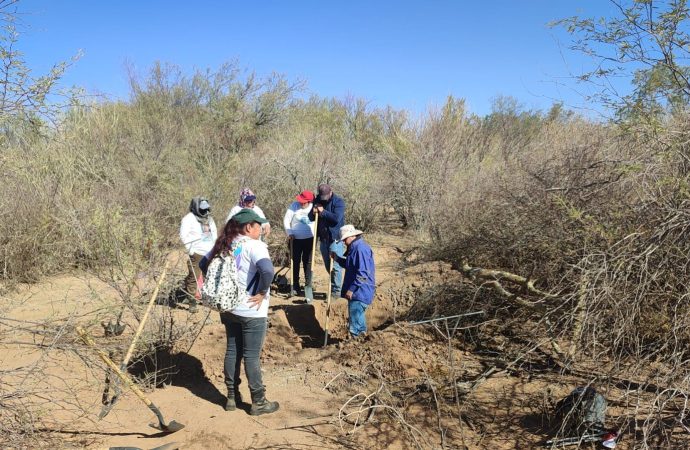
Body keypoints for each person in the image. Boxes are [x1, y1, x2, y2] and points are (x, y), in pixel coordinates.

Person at [200, 209, 279, 416]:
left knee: (232, 350)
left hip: (228, 308)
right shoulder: (255, 246)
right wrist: (262, 292)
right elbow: (268, 271)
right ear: (248, 227)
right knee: (251, 356)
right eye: (258, 225)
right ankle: (258, 402)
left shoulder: (224, 244)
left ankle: (232, 397)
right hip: (252, 309)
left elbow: (202, 263)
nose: (261, 229)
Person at [332, 225, 375, 338]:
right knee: (358, 323)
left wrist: (352, 289)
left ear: (351, 236)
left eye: (345, 240)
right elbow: (350, 265)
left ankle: (356, 345)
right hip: (358, 292)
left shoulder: (360, 249)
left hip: (360, 292)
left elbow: (363, 273)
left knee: (356, 327)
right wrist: (337, 258)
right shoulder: (355, 248)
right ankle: (360, 344)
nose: (344, 243)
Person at [179, 197, 217, 313]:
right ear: (196, 207)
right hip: (197, 252)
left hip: (209, 252)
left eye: (206, 209)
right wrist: (191, 250)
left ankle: (208, 299)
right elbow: (183, 235)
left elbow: (214, 233)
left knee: (209, 276)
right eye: (202, 209)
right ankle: (192, 302)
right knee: (193, 277)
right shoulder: (188, 219)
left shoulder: (209, 219)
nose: (205, 211)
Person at [308, 184, 345, 296]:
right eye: (322, 197)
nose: (324, 199)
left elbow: (336, 219)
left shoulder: (338, 202)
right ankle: (334, 286)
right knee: (328, 265)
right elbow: (310, 217)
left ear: (330, 192)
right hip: (323, 239)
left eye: (325, 197)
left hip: (335, 239)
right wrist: (314, 211)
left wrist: (323, 211)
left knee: (336, 266)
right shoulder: (318, 199)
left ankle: (336, 292)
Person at [282, 190, 316, 300]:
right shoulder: (294, 206)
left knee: (308, 262)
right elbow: (287, 220)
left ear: (309, 201)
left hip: (310, 239)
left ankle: (308, 285)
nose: (301, 203)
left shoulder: (314, 207)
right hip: (295, 239)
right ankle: (295, 285)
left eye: (304, 202)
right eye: (300, 201)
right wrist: (289, 233)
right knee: (295, 261)